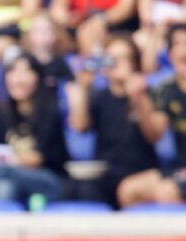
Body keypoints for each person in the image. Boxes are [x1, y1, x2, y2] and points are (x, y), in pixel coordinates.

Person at [0, 51, 69, 206]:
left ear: (38, 78)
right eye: (13, 71)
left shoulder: (50, 111)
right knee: (5, 188)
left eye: (26, 72)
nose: (18, 79)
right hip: (14, 176)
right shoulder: (4, 112)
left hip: (50, 179)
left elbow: (36, 159)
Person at [68, 34, 159, 207]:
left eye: (123, 58)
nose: (116, 64)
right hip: (106, 170)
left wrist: (138, 98)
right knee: (76, 188)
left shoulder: (147, 94)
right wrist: (82, 88)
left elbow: (153, 136)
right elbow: (80, 126)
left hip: (139, 171)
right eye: (112, 59)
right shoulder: (99, 96)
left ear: (134, 63)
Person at [118, 24, 186, 208]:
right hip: (179, 169)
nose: (183, 49)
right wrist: (140, 101)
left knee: (167, 192)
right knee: (128, 190)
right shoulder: (166, 90)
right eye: (177, 44)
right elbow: (155, 134)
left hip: (178, 179)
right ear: (170, 54)